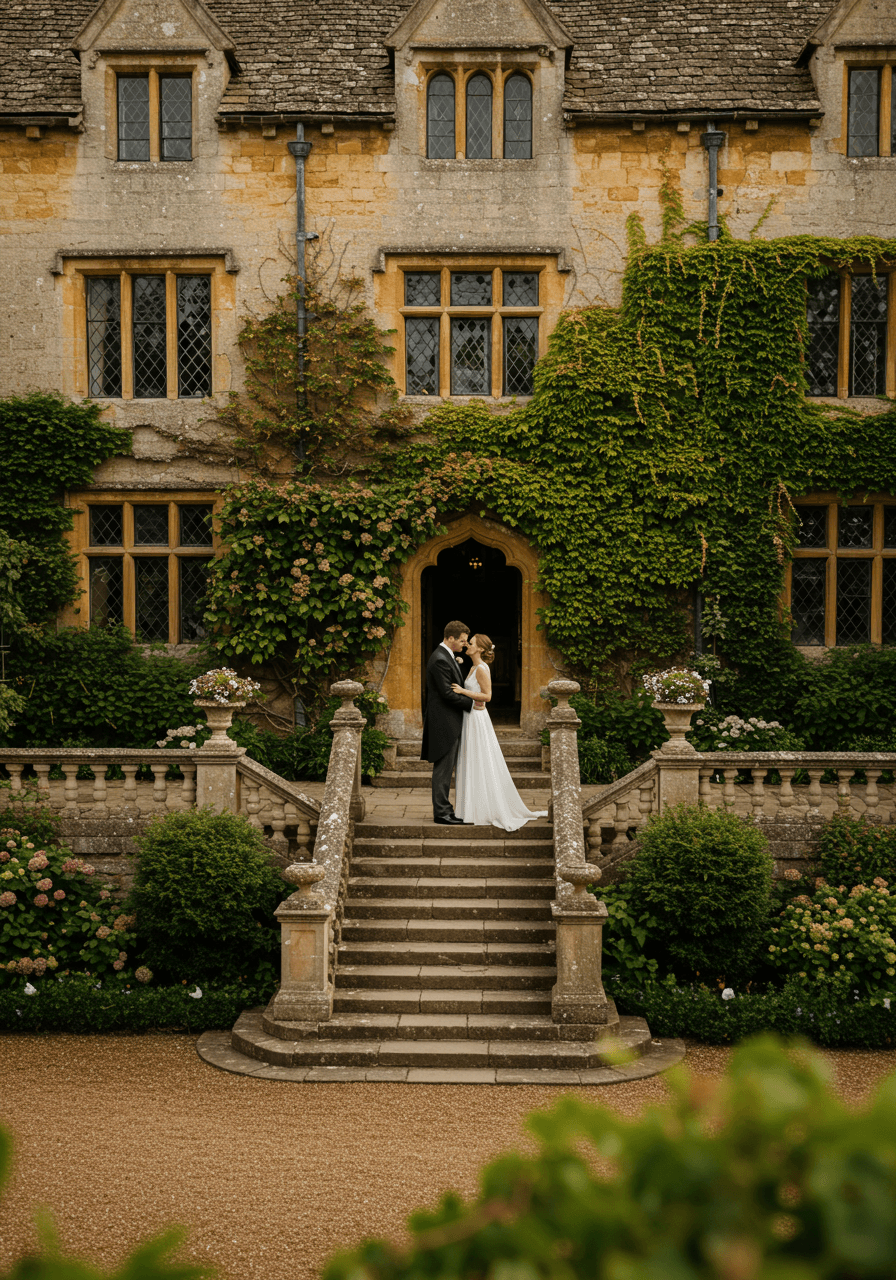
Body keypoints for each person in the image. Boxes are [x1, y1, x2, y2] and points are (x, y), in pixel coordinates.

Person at [451, 633, 547, 831]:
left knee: (480, 760)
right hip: (470, 717)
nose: (468, 644)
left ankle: (483, 809)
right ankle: (470, 809)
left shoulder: (482, 669)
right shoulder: (472, 667)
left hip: (477, 720)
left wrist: (463, 691)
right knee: (472, 760)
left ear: (479, 649)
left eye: (472, 643)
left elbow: (487, 696)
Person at [421, 619, 480, 825]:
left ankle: (446, 810)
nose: (464, 644)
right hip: (443, 722)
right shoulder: (439, 659)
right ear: (451, 638)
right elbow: (447, 693)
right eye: (462, 641)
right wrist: (473, 703)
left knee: (446, 768)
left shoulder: (446, 656)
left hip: (449, 721)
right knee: (443, 769)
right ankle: (442, 813)